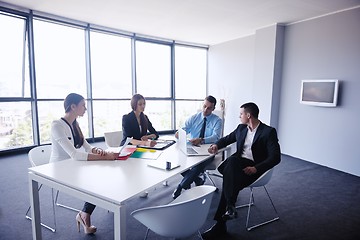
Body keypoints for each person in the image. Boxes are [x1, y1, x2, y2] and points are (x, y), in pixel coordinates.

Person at [201, 102, 281, 239]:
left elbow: (275, 157)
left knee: (230, 179)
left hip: (254, 169)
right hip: (237, 165)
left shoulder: (268, 132)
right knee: (232, 167)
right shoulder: (241, 128)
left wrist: (256, 168)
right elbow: (227, 139)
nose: (239, 116)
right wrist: (216, 145)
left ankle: (221, 224)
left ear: (248, 115)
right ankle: (230, 206)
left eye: (241, 114)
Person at [50, 93, 119, 235]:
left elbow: (87, 147)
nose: (85, 109)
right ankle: (84, 214)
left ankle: (84, 214)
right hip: (59, 169)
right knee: (96, 180)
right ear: (73, 106)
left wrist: (101, 152)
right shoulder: (57, 125)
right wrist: (106, 158)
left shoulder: (75, 124)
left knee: (104, 175)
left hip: (74, 166)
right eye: (83, 105)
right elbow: (74, 154)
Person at [172, 95, 223, 199]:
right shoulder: (194, 117)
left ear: (213, 109)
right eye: (204, 106)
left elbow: (216, 136)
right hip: (192, 147)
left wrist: (202, 140)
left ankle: (181, 186)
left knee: (198, 165)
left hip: (208, 151)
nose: (205, 109)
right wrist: (179, 133)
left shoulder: (217, 120)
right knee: (178, 160)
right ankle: (197, 180)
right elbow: (184, 129)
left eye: (209, 108)